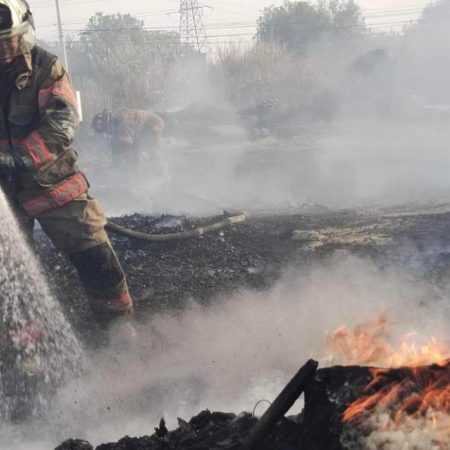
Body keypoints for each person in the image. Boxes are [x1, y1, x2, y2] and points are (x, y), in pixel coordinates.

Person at [0, 0, 132, 328]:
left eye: (8, 39)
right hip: (3, 193)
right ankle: (26, 349)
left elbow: (62, 121)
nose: (3, 49)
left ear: (22, 33)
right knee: (11, 273)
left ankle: (118, 331)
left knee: (93, 253)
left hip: (50, 181)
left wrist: (19, 158)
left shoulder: (46, 67)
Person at [92, 109, 165, 167]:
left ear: (107, 124)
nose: (108, 132)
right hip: (142, 129)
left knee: (151, 148)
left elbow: (125, 142)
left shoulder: (123, 122)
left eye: (106, 130)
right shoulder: (117, 121)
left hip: (152, 124)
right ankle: (136, 170)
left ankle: (159, 171)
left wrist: (115, 155)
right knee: (134, 151)